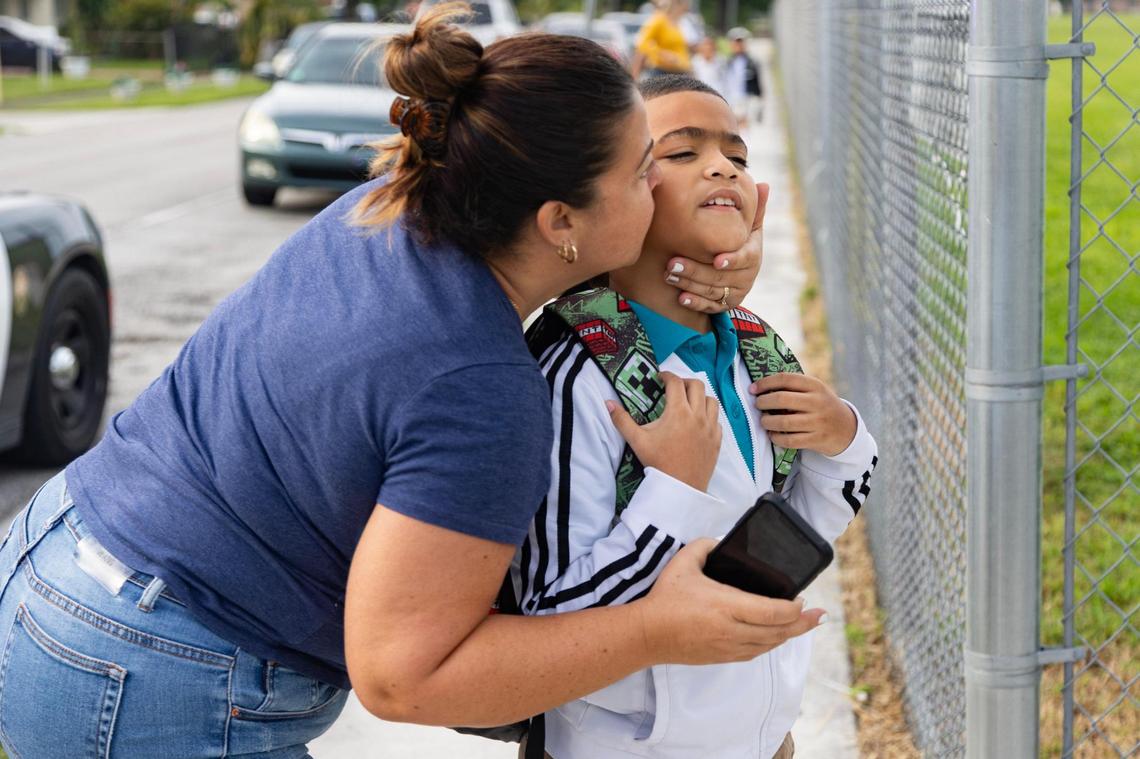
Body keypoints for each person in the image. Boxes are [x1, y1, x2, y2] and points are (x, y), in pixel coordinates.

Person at [0, 7, 825, 759]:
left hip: (60, 559)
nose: (664, 184)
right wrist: (655, 628)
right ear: (560, 223)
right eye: (647, 169)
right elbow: (403, 677)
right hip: (153, 671)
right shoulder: (483, 390)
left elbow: (575, 280)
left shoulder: (402, 203)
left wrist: (711, 262)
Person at [512, 75, 878, 759]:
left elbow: (794, 530)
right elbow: (553, 619)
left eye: (737, 157)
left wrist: (842, 438)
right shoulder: (580, 377)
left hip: (763, 738)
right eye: (681, 153)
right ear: (613, 192)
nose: (722, 167)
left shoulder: (755, 350)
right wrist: (672, 490)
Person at [631, 0, 692, 79]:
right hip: (663, 72)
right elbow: (642, 43)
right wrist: (662, 54)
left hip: (680, 72)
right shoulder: (659, 20)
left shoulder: (679, 23)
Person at [725, 26, 762, 126]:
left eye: (740, 42)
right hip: (732, 102)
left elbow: (758, 88)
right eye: (735, 42)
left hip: (747, 101)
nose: (738, 45)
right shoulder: (727, 62)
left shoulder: (752, 63)